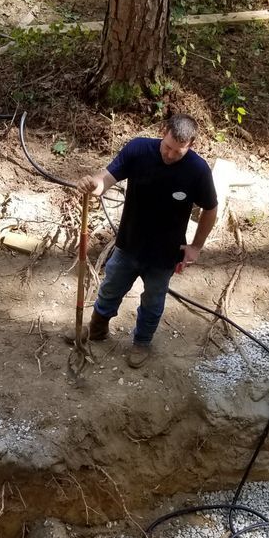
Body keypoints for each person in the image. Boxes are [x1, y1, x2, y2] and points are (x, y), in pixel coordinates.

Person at [79, 114, 218, 368]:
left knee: (153, 301)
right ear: (163, 131)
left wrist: (196, 246)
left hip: (164, 254)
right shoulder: (138, 149)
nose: (170, 154)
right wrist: (95, 186)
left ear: (191, 145)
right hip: (129, 243)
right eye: (167, 146)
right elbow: (108, 177)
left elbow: (210, 209)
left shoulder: (197, 170)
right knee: (110, 289)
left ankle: (142, 342)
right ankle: (97, 330)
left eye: (178, 151)